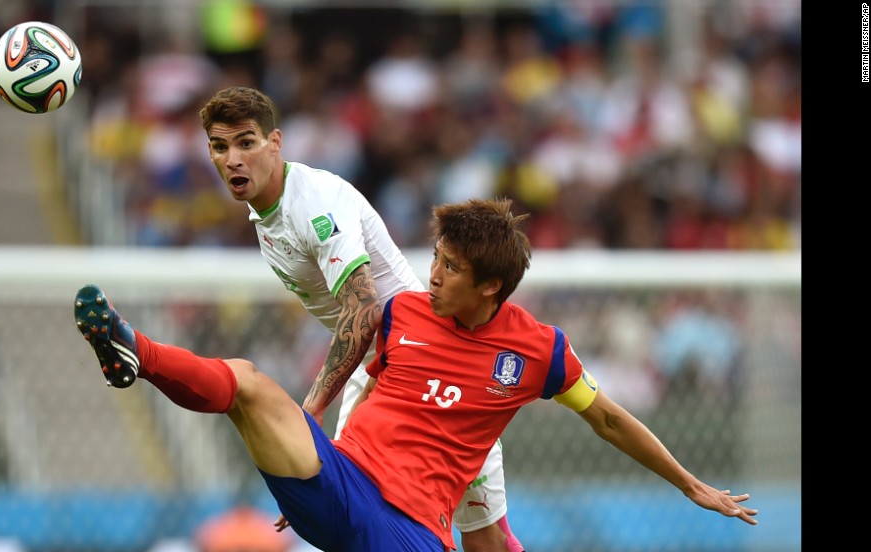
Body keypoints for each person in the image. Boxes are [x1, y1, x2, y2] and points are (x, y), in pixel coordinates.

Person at [74, 197, 758, 552]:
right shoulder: (399, 313)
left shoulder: (540, 353)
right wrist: (305, 441)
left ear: (491, 287)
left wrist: (692, 484)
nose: (432, 273)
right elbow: (354, 387)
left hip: (408, 532)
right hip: (338, 482)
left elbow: (607, 418)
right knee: (250, 382)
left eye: (452, 268)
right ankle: (136, 349)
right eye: (435, 256)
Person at [97, 85, 524, 551]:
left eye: (246, 142)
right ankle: (141, 354)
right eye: (220, 147)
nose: (233, 158)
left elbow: (365, 311)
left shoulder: (315, 203)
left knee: (485, 541)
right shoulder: (267, 215)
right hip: (382, 370)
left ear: (275, 143)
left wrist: (312, 412)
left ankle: (142, 354)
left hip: (431, 368)